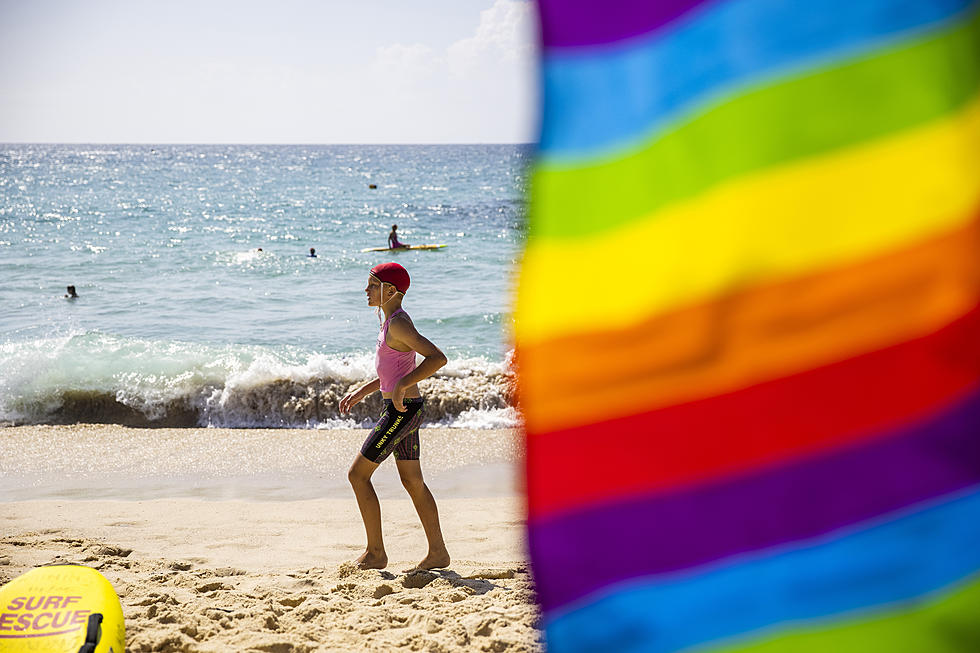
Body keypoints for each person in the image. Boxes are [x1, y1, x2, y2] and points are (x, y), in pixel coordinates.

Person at [339, 262, 450, 571]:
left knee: (357, 476)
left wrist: (402, 385)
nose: (366, 290)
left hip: (401, 412)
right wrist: (366, 389)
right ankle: (438, 553)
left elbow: (437, 358)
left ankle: (376, 553)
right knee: (412, 480)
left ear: (389, 290)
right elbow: (392, 371)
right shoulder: (390, 322)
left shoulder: (399, 324)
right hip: (404, 410)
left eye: (372, 285)